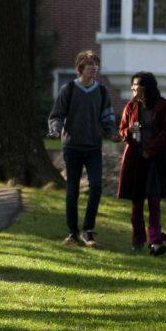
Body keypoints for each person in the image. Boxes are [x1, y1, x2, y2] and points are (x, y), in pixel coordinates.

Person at [48, 50, 121, 248]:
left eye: (96, 65)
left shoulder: (102, 91)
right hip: (72, 147)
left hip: (93, 147)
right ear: (81, 68)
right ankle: (72, 232)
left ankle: (87, 231)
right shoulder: (69, 89)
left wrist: (113, 133)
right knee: (72, 190)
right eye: (90, 65)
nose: (94, 68)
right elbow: (56, 116)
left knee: (96, 186)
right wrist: (55, 130)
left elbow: (107, 118)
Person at [117, 71, 166, 256]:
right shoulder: (130, 107)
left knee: (154, 200)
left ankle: (155, 241)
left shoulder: (162, 106)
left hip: (155, 160)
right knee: (137, 202)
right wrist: (130, 131)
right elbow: (122, 131)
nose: (134, 89)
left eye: (138, 86)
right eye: (132, 86)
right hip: (135, 159)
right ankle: (137, 240)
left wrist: (150, 149)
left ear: (148, 88)